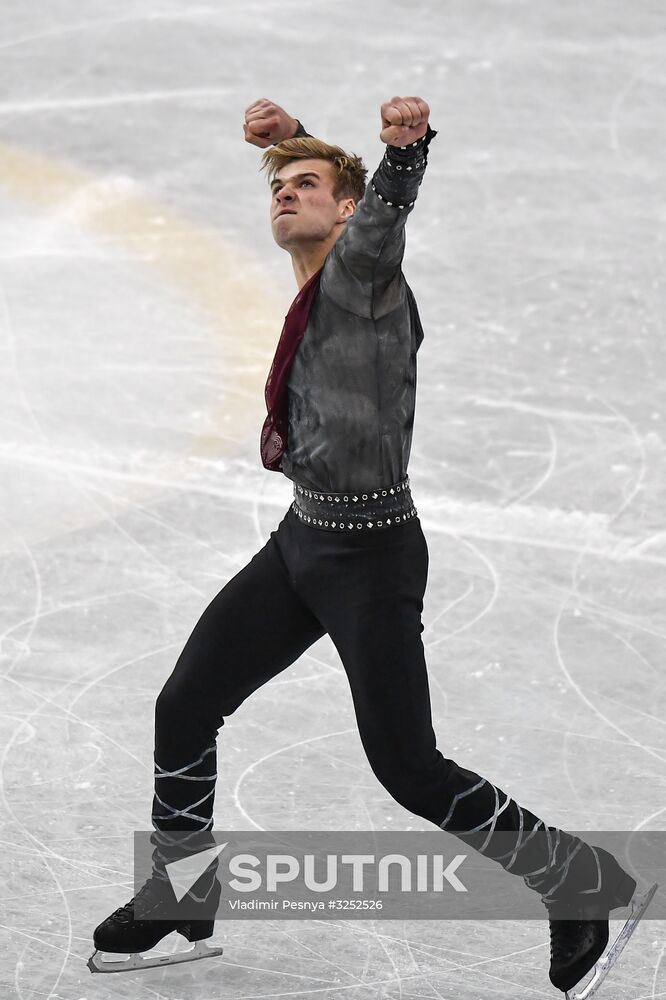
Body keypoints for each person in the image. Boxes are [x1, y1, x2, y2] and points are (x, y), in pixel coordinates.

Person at [88, 96, 656, 993]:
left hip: (371, 558)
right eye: (277, 187)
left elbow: (382, 208)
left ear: (347, 209)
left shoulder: (364, 268)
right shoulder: (327, 269)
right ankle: (183, 895)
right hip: (303, 543)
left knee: (408, 767)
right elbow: (341, 196)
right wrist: (296, 142)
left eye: (304, 187)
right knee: (185, 706)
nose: (284, 195)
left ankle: (577, 879)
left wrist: (406, 152)